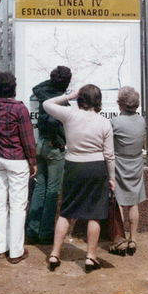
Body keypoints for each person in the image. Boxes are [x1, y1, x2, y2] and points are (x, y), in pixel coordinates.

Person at [43, 84, 115, 273]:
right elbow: (110, 155)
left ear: (80, 99)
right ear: (98, 101)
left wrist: (68, 96)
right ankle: (90, 257)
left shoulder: (70, 115)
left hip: (73, 166)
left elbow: (47, 104)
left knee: (66, 211)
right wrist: (112, 177)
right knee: (95, 214)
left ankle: (54, 254)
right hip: (97, 167)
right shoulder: (104, 122)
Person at [0, 72, 37, 264]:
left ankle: (0, 247)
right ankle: (16, 251)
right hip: (16, 159)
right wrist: (33, 161)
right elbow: (27, 137)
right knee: (17, 206)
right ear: (14, 89)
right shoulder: (19, 109)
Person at [26, 66, 72, 245]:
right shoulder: (59, 101)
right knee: (53, 191)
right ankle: (45, 232)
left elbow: (36, 87)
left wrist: (54, 84)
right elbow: (53, 121)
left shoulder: (44, 94)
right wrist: (57, 140)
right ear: (67, 83)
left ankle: (32, 230)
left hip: (40, 145)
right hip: (53, 147)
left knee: (39, 188)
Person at [109, 86, 146, 256]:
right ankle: (133, 239)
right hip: (136, 163)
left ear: (121, 104)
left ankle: (121, 240)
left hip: (120, 164)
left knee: (119, 202)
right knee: (133, 202)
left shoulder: (115, 123)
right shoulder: (142, 120)